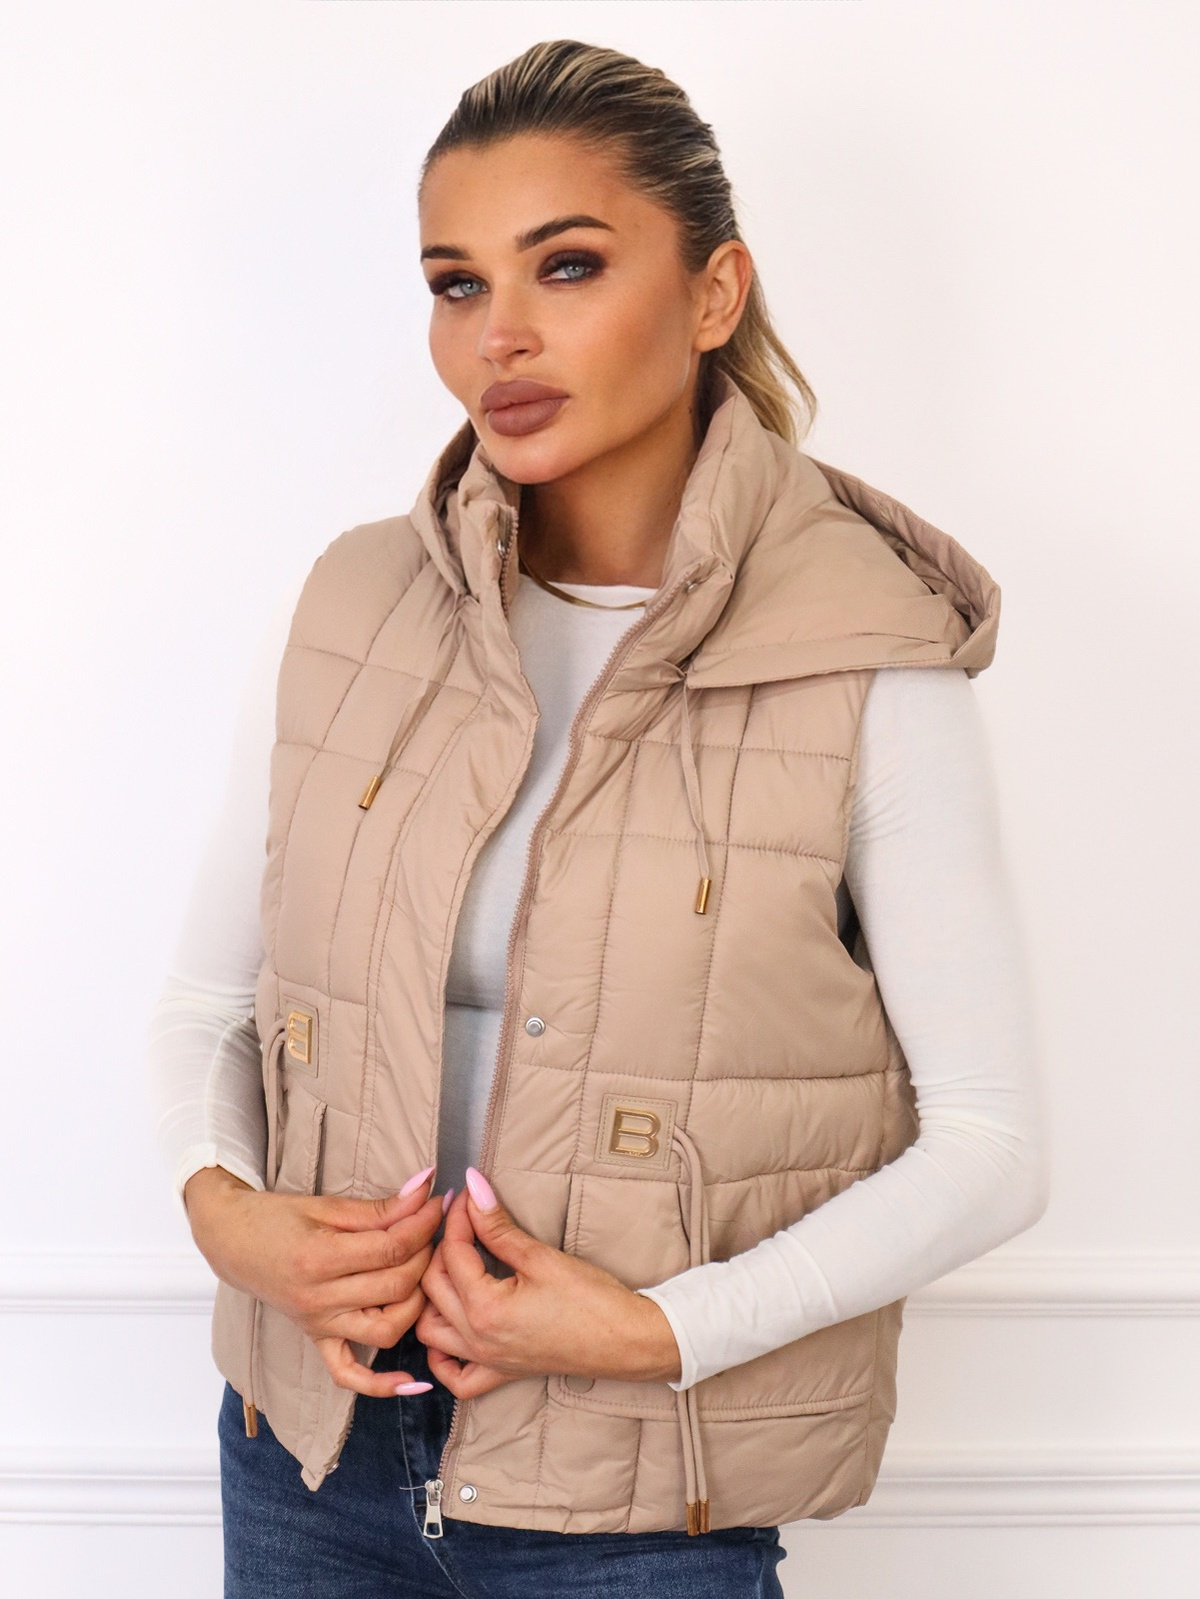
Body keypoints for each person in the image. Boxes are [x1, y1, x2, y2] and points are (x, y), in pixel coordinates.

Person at [148, 38, 1050, 1598]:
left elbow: (993, 1145)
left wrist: (653, 1330)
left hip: (635, 1510)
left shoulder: (866, 657)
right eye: (455, 284)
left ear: (714, 295)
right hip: (307, 1461)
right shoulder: (353, 607)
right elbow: (203, 1008)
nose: (499, 333)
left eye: (565, 266)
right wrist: (233, 1223)